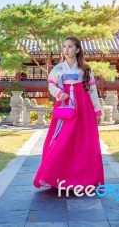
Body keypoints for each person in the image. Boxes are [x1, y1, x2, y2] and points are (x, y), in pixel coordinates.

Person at [33, 36, 104, 189]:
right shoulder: (58, 69)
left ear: (77, 50)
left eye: (70, 46)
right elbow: (51, 85)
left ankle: (85, 179)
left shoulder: (85, 68)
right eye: (64, 46)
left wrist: (97, 111)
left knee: (83, 141)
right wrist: (59, 93)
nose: (66, 49)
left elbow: (92, 90)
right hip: (65, 106)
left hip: (83, 107)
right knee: (62, 139)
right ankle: (56, 177)